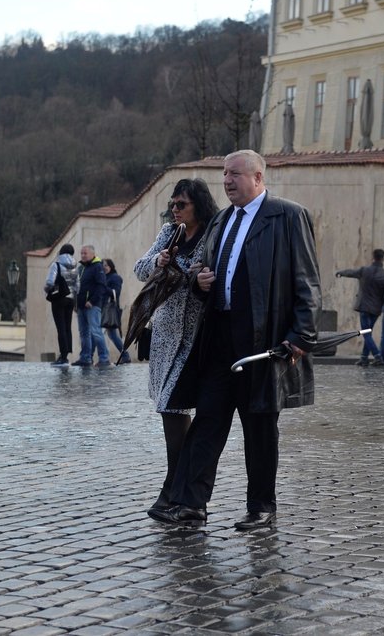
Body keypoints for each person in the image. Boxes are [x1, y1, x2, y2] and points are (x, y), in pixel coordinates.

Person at [150, 150, 321, 530]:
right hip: (218, 337)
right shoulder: (222, 220)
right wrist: (198, 280)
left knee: (260, 427)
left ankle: (262, 507)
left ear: (258, 177)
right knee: (208, 420)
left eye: (235, 174)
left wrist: (301, 336)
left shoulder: (287, 216)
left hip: (263, 342)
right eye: (224, 174)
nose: (227, 181)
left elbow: (307, 282)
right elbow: (200, 268)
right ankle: (191, 504)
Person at [134, 178, 219, 512]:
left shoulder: (211, 234)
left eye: (181, 204)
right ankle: (176, 486)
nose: (175, 209)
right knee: (170, 407)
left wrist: (188, 271)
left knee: (173, 405)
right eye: (172, 204)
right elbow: (141, 269)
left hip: (195, 334)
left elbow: (211, 275)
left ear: (198, 205)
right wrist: (159, 261)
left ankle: (174, 487)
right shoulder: (169, 233)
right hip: (164, 333)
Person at [335, 249, 384, 367]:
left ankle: (377, 356)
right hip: (376, 309)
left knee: (366, 333)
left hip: (364, 307)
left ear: (373, 257)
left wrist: (340, 273)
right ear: (383, 258)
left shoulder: (365, 271)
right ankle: (364, 358)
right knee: (368, 332)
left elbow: (351, 272)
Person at [73, 245, 111, 367]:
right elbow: (77, 288)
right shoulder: (81, 268)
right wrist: (76, 304)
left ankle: (104, 358)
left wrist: (92, 301)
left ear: (92, 254)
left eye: (85, 253)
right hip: (81, 306)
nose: (83, 255)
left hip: (92, 306)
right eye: (81, 253)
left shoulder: (97, 267)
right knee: (83, 333)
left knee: (96, 332)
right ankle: (85, 358)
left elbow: (101, 286)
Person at [44, 243, 79, 367]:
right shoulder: (75, 266)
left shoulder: (56, 264)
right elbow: (77, 285)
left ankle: (63, 356)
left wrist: (47, 291)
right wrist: (75, 300)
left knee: (60, 327)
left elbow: (49, 282)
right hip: (70, 300)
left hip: (59, 299)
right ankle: (66, 354)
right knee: (67, 327)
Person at [102, 258, 132, 365]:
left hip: (110, 310)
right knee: (111, 334)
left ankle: (123, 356)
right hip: (103, 309)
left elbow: (116, 293)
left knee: (111, 334)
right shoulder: (104, 277)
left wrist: (103, 286)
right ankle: (125, 356)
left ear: (111, 266)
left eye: (106, 265)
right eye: (103, 265)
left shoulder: (115, 278)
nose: (104, 267)